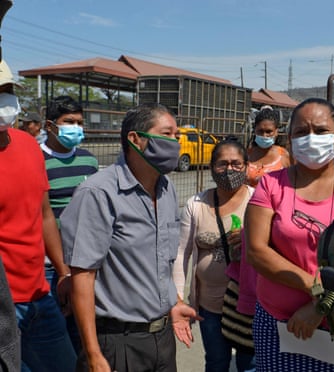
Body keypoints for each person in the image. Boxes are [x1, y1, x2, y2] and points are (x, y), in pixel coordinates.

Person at [61, 103, 199, 372]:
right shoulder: (99, 194)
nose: (176, 142)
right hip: (117, 344)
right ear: (135, 139)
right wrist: (92, 353)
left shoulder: (167, 189)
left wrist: (174, 303)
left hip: (162, 338)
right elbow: (83, 277)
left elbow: (161, 261)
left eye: (177, 135)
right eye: (167, 134)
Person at [245, 98, 334, 371]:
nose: (311, 138)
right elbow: (257, 251)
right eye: (301, 132)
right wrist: (314, 287)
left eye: (320, 130)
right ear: (290, 139)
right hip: (277, 322)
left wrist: (320, 308)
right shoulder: (271, 185)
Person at [0, 60, 77, 371]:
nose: (5, 100)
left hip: (39, 295)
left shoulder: (29, 146)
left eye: (7, 91)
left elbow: (44, 215)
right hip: (4, 306)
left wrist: (63, 272)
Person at [173, 139, 255, 372]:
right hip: (210, 306)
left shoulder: (259, 201)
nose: (229, 169)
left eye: (236, 163)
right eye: (222, 164)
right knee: (216, 361)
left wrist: (249, 239)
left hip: (249, 304)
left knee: (249, 365)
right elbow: (182, 253)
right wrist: (179, 299)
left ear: (246, 166)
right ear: (211, 167)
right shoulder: (196, 204)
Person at [41, 95, 98, 355]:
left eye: (79, 122)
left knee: (82, 337)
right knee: (52, 339)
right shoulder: (36, 160)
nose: (75, 128)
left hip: (83, 264)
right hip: (50, 268)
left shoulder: (89, 161)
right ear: (50, 126)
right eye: (68, 122)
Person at [246, 108, 290, 186]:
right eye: (260, 131)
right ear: (255, 130)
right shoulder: (246, 155)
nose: (264, 135)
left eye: (269, 131)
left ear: (276, 132)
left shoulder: (284, 156)